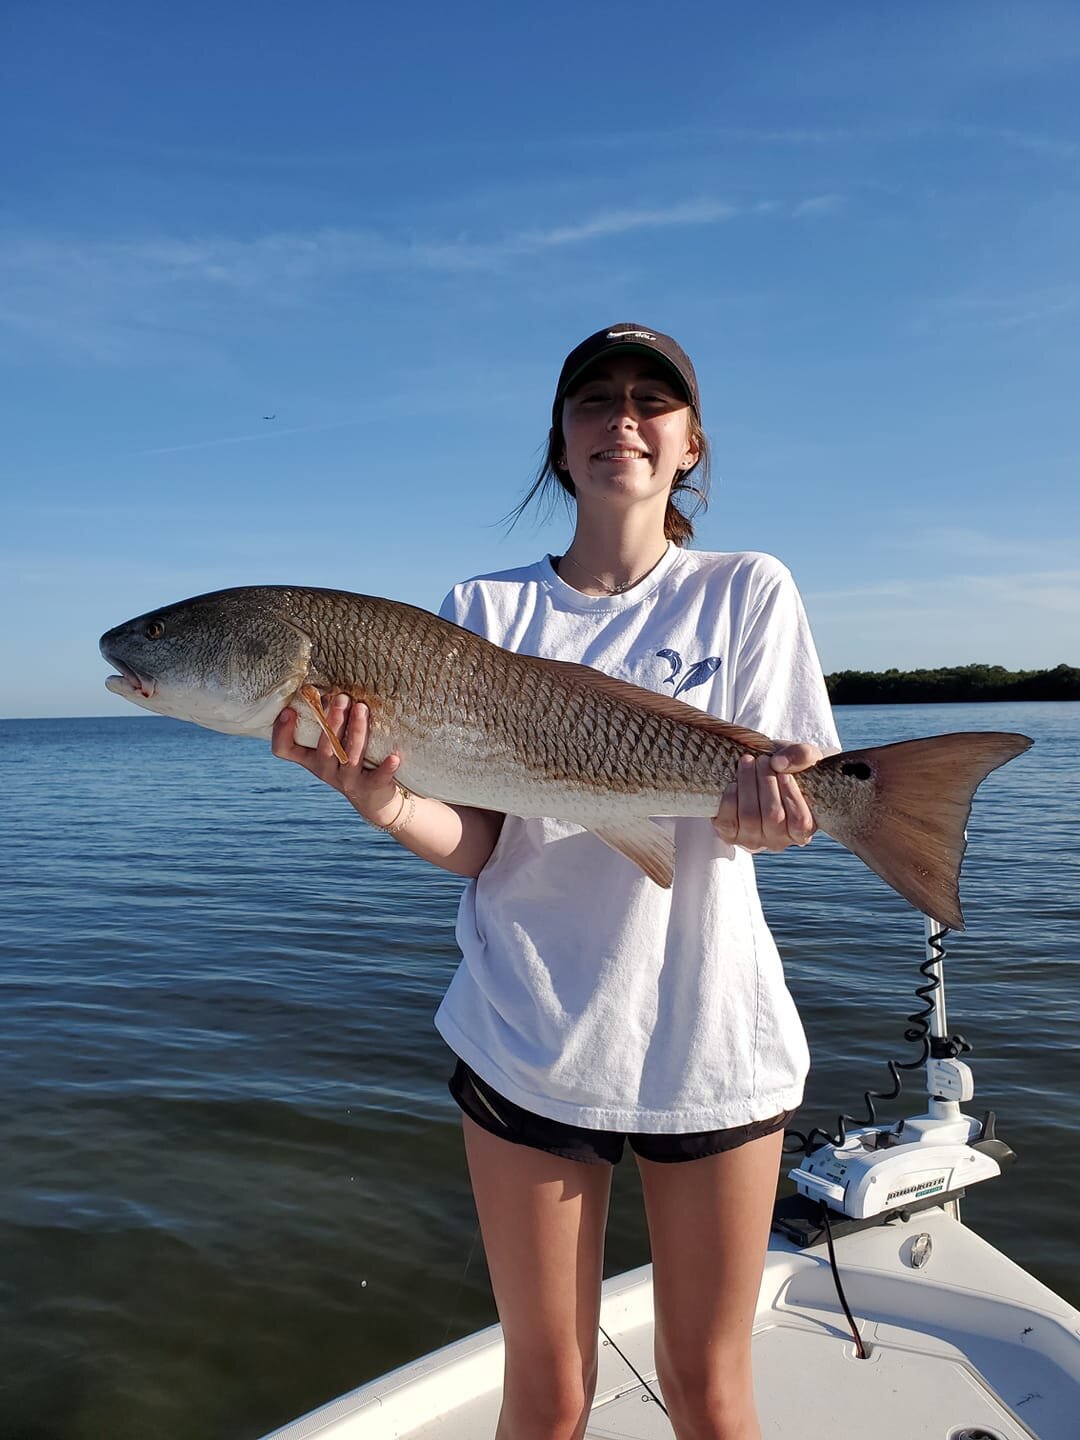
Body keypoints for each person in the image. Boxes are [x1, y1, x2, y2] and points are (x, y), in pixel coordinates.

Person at [272, 322, 840, 1440]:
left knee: (712, 1393)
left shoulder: (747, 591)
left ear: (690, 447)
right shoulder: (483, 610)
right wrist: (379, 798)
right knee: (546, 1391)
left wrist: (785, 812)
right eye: (593, 399)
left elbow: (794, 811)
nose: (621, 418)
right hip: (526, 1033)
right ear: (559, 440)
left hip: (710, 1033)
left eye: (650, 400)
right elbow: (484, 843)